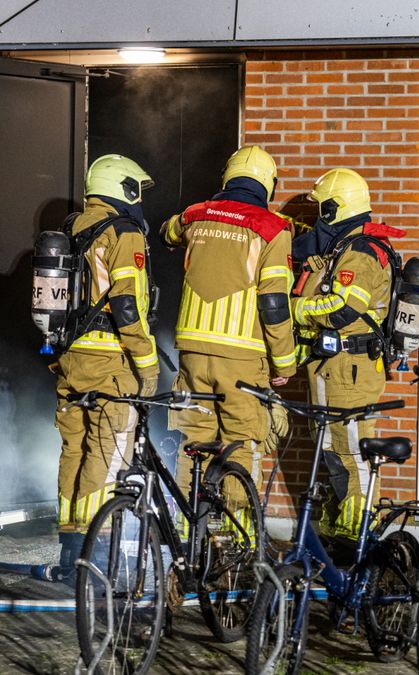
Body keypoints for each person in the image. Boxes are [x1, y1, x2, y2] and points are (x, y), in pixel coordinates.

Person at [161, 145, 296, 525]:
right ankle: (239, 538)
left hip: (190, 354)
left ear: (228, 177)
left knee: (194, 443)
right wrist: (284, 362)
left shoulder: (195, 215)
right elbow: (273, 303)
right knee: (241, 444)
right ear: (268, 184)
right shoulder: (273, 229)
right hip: (240, 359)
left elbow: (167, 232)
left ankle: (191, 535)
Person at [51, 154, 159, 580]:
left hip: (70, 361)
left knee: (72, 453)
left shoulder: (69, 229)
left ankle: (70, 553)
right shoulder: (124, 232)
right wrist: (147, 365)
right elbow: (127, 304)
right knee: (107, 456)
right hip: (112, 363)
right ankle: (96, 559)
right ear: (124, 188)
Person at [290, 168, 403, 541]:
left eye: (323, 208)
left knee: (350, 450)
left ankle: (358, 531)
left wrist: (297, 311)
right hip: (336, 367)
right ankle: (342, 525)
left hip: (349, 367)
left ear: (335, 208)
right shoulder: (348, 246)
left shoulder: (360, 252)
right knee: (333, 448)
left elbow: (342, 308)